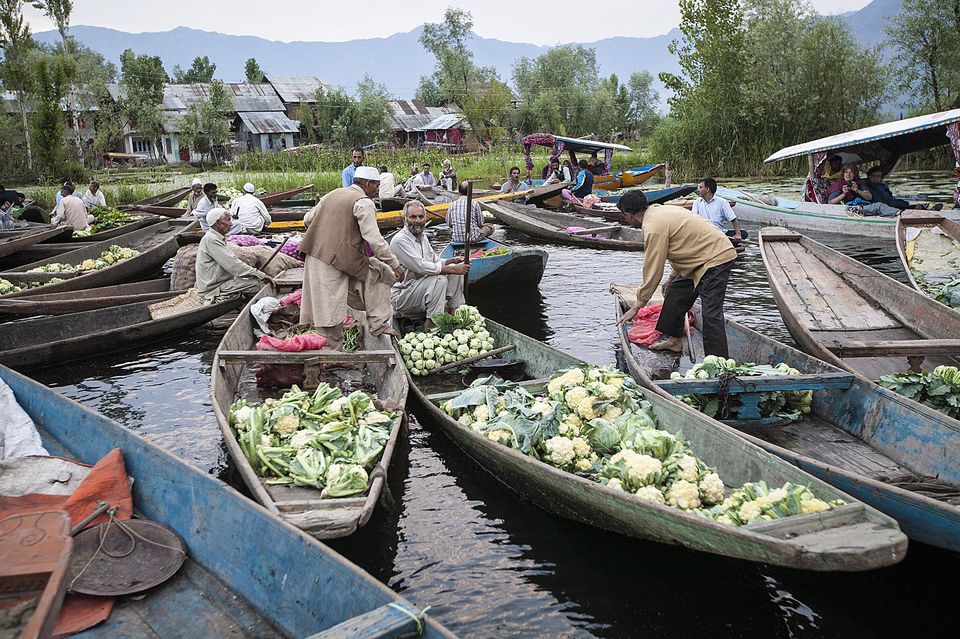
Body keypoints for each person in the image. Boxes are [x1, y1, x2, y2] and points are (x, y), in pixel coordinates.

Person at [615, 190, 738, 357]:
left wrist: (638, 305)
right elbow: (683, 244)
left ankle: (718, 362)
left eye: (624, 216)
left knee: (711, 313)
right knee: (675, 292)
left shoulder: (653, 227)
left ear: (628, 214)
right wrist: (672, 278)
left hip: (716, 258)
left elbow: (653, 270)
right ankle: (675, 341)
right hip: (699, 258)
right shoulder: (659, 211)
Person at [300, 165, 405, 348]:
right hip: (333, 261)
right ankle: (334, 351)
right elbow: (375, 239)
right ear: (367, 183)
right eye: (376, 186)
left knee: (374, 273)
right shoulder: (363, 202)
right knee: (330, 307)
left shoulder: (332, 194)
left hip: (315, 254)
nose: (377, 190)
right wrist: (395, 265)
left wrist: (329, 234)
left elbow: (308, 219)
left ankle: (376, 323)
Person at [390, 201, 468, 329]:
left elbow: (434, 261)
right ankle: (431, 325)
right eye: (413, 217)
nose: (418, 220)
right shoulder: (400, 240)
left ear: (425, 218)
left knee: (455, 273)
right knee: (440, 279)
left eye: (421, 217)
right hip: (403, 296)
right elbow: (421, 266)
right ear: (405, 219)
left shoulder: (423, 237)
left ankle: (453, 313)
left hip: (421, 288)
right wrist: (452, 269)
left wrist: (450, 262)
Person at [195, 208, 274, 301]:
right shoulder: (211, 239)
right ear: (218, 223)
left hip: (221, 281)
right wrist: (260, 275)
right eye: (228, 220)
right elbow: (233, 264)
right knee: (258, 285)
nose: (231, 223)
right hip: (213, 287)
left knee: (251, 281)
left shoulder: (216, 237)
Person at [864, 166, 942, 212]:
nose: (877, 178)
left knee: (902, 203)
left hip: (890, 202)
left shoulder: (882, 185)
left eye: (879, 176)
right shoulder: (867, 185)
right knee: (900, 207)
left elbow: (889, 196)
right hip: (883, 205)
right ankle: (921, 209)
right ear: (870, 176)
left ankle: (922, 209)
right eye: (875, 176)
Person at [692, 177, 745, 242]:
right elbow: (693, 220)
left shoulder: (722, 202)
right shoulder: (697, 202)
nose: (698, 190)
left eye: (700, 187)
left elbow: (733, 219)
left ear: (707, 189)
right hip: (703, 234)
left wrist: (738, 234)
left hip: (718, 234)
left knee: (744, 234)